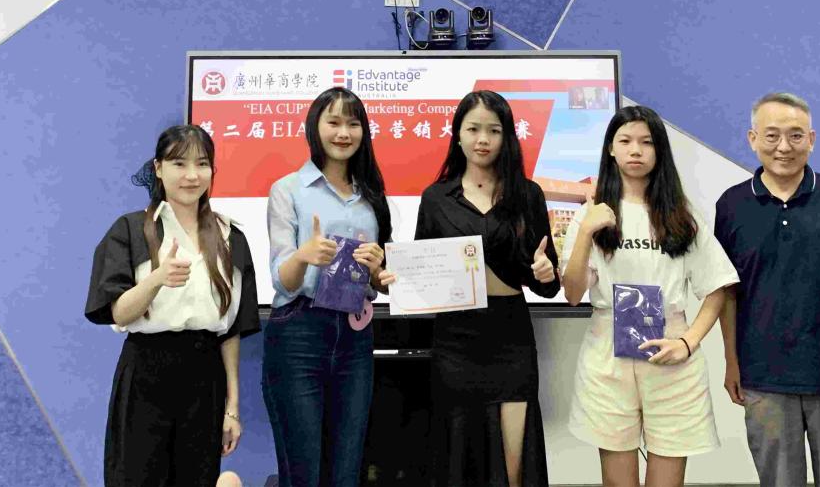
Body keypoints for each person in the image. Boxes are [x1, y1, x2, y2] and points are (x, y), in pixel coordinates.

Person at [561, 105, 739, 487]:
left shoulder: (681, 214)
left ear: (659, 150)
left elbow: (718, 287)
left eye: (646, 142)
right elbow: (573, 294)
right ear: (611, 149)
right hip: (607, 352)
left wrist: (688, 343)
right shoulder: (591, 214)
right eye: (625, 141)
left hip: (671, 352)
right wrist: (586, 232)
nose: (635, 150)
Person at [715, 92, 820, 487]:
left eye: (795, 135)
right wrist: (731, 360)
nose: (784, 147)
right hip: (764, 376)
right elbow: (725, 292)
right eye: (772, 135)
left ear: (811, 139)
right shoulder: (731, 205)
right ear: (752, 139)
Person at [84, 125, 260, 487]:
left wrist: (232, 408)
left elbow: (230, 331)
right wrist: (155, 280)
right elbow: (118, 313)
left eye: (202, 164)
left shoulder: (231, 237)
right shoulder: (131, 230)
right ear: (158, 168)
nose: (192, 175)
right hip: (145, 370)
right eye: (179, 163)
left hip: (204, 375)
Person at [414, 89, 560, 487]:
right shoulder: (436, 198)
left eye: (494, 130)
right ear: (458, 135)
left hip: (511, 336)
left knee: (515, 463)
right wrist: (399, 278)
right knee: (460, 455)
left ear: (507, 136)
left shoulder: (527, 195)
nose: (483, 139)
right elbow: (422, 275)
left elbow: (549, 288)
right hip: (455, 340)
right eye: (473, 129)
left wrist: (545, 273)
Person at [262, 87, 394, 487]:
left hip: (355, 336)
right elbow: (282, 280)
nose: (343, 133)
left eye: (353, 124)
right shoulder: (288, 190)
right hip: (299, 331)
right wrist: (304, 256)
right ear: (314, 128)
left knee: (346, 468)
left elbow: (380, 281)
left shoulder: (371, 195)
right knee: (303, 468)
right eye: (333, 122)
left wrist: (378, 271)